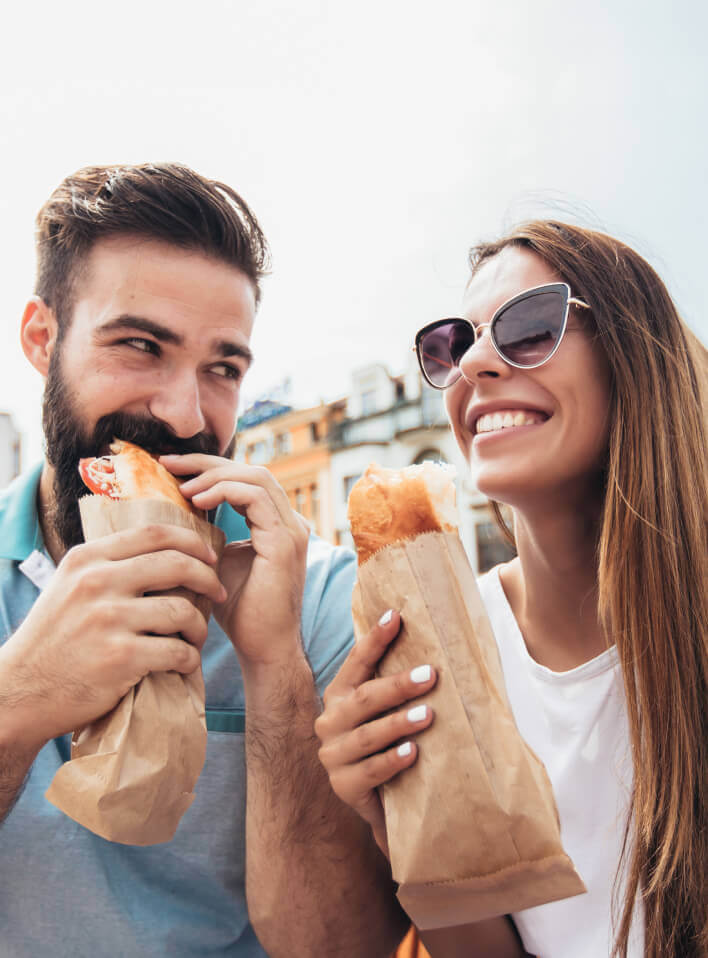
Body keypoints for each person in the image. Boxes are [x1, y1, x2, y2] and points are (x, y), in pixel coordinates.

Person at [0, 162, 410, 957]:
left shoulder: (324, 597)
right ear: (42, 341)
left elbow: (337, 949)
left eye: (223, 368)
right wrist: (21, 698)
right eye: (141, 346)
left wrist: (274, 669)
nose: (186, 414)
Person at [316, 220, 708, 958]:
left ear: (635, 355)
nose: (477, 364)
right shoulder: (440, 648)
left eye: (531, 327)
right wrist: (392, 817)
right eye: (453, 345)